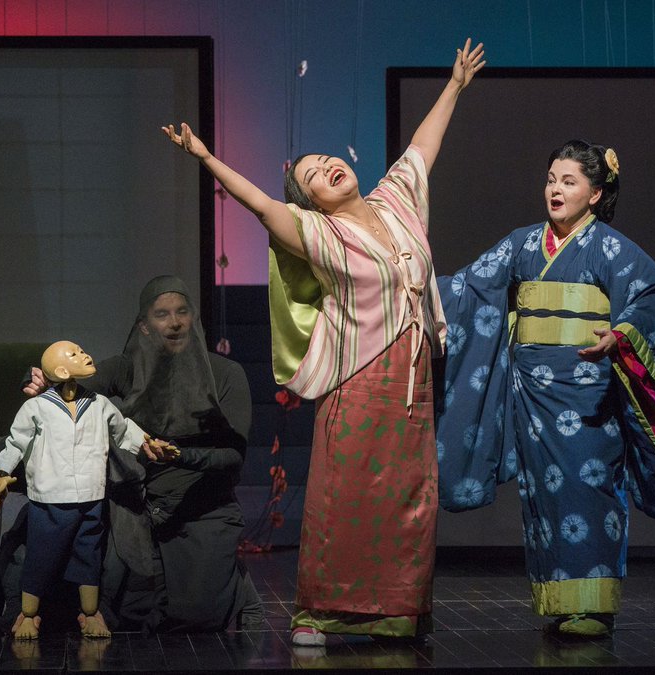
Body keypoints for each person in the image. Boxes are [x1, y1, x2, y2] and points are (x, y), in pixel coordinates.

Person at [162, 39, 485, 645]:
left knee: (410, 498)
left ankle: (397, 611)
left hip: (412, 379)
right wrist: (206, 157)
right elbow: (259, 203)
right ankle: (322, 612)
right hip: (358, 378)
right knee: (348, 495)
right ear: (309, 199)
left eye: (327, 160)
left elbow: (422, 145)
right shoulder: (316, 232)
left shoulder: (397, 201)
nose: (327, 167)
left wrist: (456, 84)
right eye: (312, 174)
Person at [436, 141, 655, 637]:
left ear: (596, 194)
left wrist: (620, 334)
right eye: (551, 179)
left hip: (588, 392)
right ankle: (559, 601)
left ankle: (595, 607)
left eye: (569, 181)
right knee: (545, 498)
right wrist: (410, 286)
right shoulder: (522, 243)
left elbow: (650, 297)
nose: (555, 190)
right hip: (533, 396)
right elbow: (470, 287)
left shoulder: (611, 249)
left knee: (590, 489)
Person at [23, 276, 262, 632]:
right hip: (138, 506)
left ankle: (234, 586)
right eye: (162, 314)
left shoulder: (226, 374)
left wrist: (178, 456)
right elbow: (73, 388)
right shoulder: (128, 367)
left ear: (193, 318)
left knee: (197, 616)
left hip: (201, 505)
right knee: (126, 611)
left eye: (182, 312)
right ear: (145, 327)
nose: (175, 322)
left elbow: (233, 456)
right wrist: (46, 389)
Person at [0, 340, 172, 640]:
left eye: (83, 350)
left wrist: (147, 443)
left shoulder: (98, 404)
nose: (85, 354)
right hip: (49, 500)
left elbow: (122, 429)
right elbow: (16, 442)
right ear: (60, 370)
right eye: (75, 354)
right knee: (40, 558)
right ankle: (29, 615)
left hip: (90, 497)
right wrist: (2, 474)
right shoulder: (37, 407)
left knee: (88, 557)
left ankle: (91, 613)